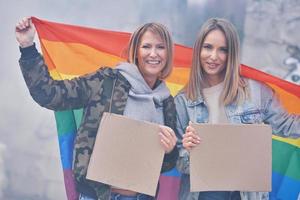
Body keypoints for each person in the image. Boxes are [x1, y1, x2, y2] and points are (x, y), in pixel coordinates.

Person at [16, 17, 179, 200]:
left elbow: (164, 165)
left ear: (168, 54)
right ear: (135, 51)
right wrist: (28, 48)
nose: (153, 54)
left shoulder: (167, 102)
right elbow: (52, 94)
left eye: (160, 47)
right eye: (146, 46)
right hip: (96, 195)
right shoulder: (105, 81)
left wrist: (170, 150)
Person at [174, 18, 300, 200]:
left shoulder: (256, 92)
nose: (213, 56)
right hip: (204, 194)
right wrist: (188, 149)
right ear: (198, 49)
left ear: (232, 53)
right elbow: (178, 161)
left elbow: (287, 125)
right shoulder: (183, 100)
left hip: (246, 194)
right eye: (208, 47)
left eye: (222, 50)